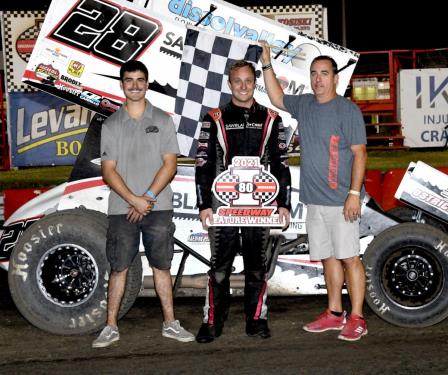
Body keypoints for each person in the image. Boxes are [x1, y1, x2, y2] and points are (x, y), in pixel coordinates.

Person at [260, 43, 368, 342]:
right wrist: (267, 64)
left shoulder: (347, 110)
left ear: (335, 79)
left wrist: (354, 193)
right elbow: (277, 97)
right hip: (314, 200)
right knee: (329, 259)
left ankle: (358, 317)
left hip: (341, 200)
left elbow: (360, 154)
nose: (318, 79)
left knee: (350, 259)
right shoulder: (305, 104)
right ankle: (335, 313)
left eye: (324, 73)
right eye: (314, 73)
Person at [92, 60, 194, 348]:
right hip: (121, 209)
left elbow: (170, 164)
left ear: (147, 83)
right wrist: (133, 200)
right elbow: (108, 170)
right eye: (129, 80)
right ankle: (110, 326)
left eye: (140, 79)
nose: (135, 85)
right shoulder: (111, 124)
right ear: (122, 84)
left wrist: (146, 198)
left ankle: (170, 323)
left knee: (161, 266)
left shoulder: (162, 119)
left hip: (157, 207)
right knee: (119, 267)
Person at [194, 60, 291, 343]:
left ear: (254, 82)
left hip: (260, 205)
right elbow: (202, 164)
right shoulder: (213, 117)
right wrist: (204, 205)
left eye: (249, 80)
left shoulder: (273, 118)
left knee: (256, 267)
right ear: (229, 83)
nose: (244, 86)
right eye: (238, 81)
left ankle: (257, 320)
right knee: (220, 268)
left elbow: (281, 165)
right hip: (223, 205)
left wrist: (283, 203)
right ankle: (212, 320)